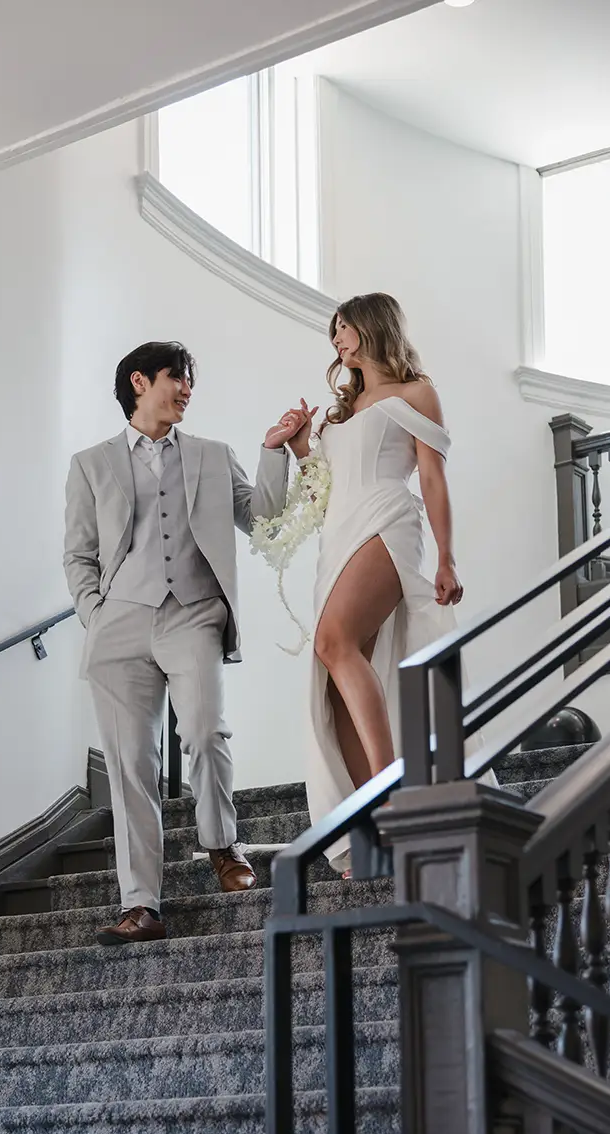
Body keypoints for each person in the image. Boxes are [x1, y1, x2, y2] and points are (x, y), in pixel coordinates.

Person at [63, 340, 313, 943]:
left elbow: (262, 519)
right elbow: (79, 554)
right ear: (140, 382)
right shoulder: (90, 464)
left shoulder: (209, 454)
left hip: (193, 613)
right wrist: (95, 614)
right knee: (130, 765)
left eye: (191, 380)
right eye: (178, 377)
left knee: (204, 729)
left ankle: (223, 846)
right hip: (119, 623)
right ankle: (141, 902)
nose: (187, 390)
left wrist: (274, 450)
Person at [298, 292, 469, 874]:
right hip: (339, 535)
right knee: (336, 682)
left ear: (373, 328)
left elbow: (431, 476)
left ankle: (394, 794)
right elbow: (322, 486)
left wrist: (446, 558)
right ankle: (364, 824)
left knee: (333, 642)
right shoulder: (340, 411)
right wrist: (300, 445)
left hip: (388, 521)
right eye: (335, 334)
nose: (338, 341)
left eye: (345, 329)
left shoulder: (416, 392)